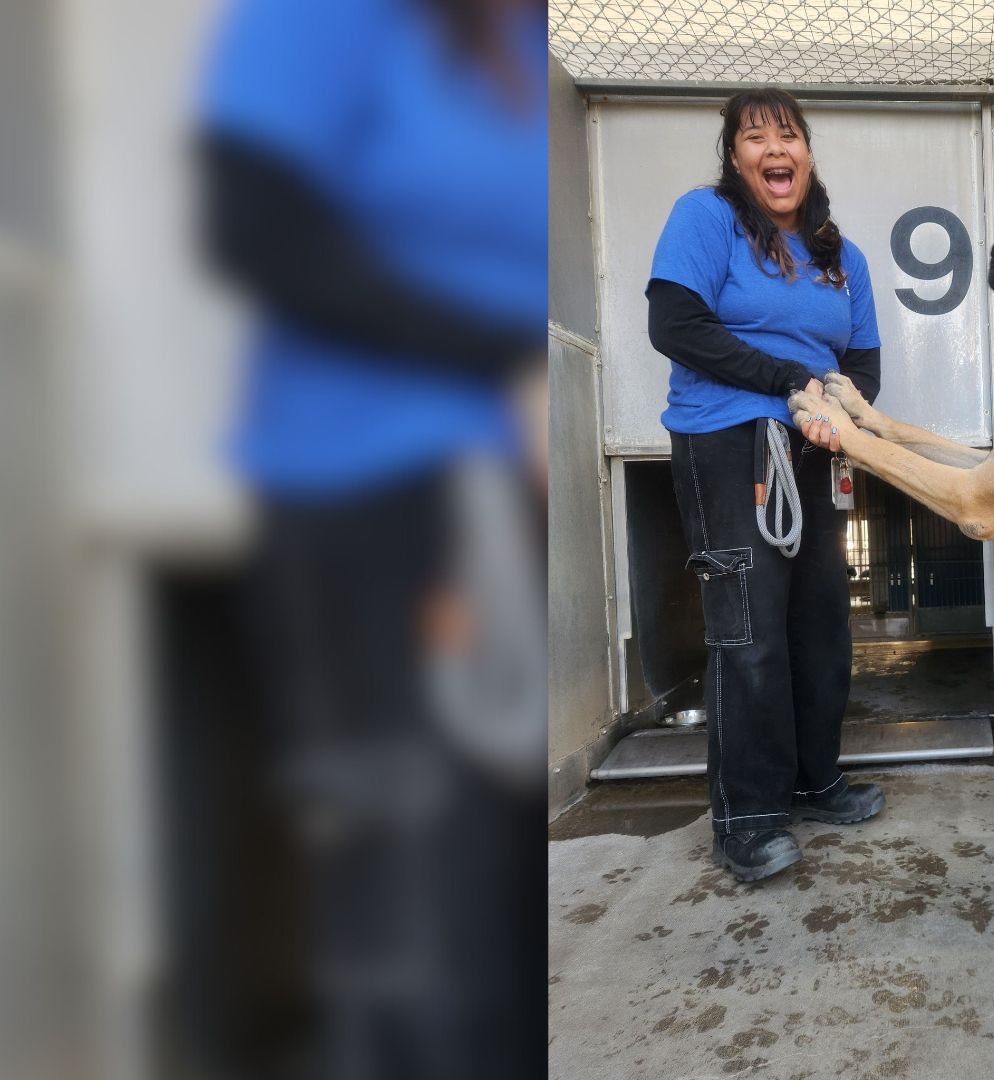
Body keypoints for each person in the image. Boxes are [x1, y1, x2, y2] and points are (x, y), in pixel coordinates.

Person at [196, 0, 547, 1075]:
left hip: (502, 487)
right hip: (368, 485)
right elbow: (251, 221)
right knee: (415, 893)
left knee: (497, 896)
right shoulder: (327, 17)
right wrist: (500, 352)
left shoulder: (530, 36)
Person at [647, 88, 886, 883]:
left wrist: (837, 409)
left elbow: (864, 364)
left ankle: (814, 781)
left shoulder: (838, 256)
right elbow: (676, 326)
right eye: (755, 138)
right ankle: (747, 818)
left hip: (815, 448)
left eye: (788, 136)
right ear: (735, 157)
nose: (774, 150)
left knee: (821, 630)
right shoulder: (705, 218)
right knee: (747, 633)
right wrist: (787, 381)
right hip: (727, 439)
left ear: (807, 155)